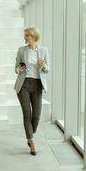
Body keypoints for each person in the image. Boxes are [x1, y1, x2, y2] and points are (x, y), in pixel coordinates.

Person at [14, 27, 50, 156]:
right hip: (23, 84)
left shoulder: (44, 51)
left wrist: (43, 66)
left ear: (33, 36)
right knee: (27, 114)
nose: (25, 38)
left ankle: (30, 132)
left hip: (37, 85)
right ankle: (31, 141)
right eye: (25, 36)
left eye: (27, 36)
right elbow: (16, 68)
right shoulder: (21, 50)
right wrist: (19, 69)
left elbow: (47, 69)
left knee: (36, 116)